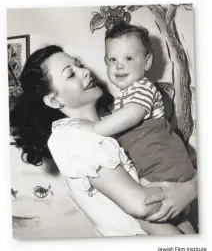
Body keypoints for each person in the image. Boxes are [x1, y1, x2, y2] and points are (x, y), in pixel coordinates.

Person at [10, 45, 197, 236]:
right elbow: (141, 205)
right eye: (71, 74)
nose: (85, 72)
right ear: (54, 101)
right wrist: (190, 189)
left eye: (79, 65)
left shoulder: (111, 122)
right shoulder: (69, 138)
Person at [70, 23, 196, 234]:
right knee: (180, 222)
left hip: (164, 167)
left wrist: (92, 128)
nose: (120, 66)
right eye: (113, 59)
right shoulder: (123, 98)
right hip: (160, 168)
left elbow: (132, 115)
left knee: (146, 214)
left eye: (128, 58)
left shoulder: (142, 88)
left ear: (147, 62)